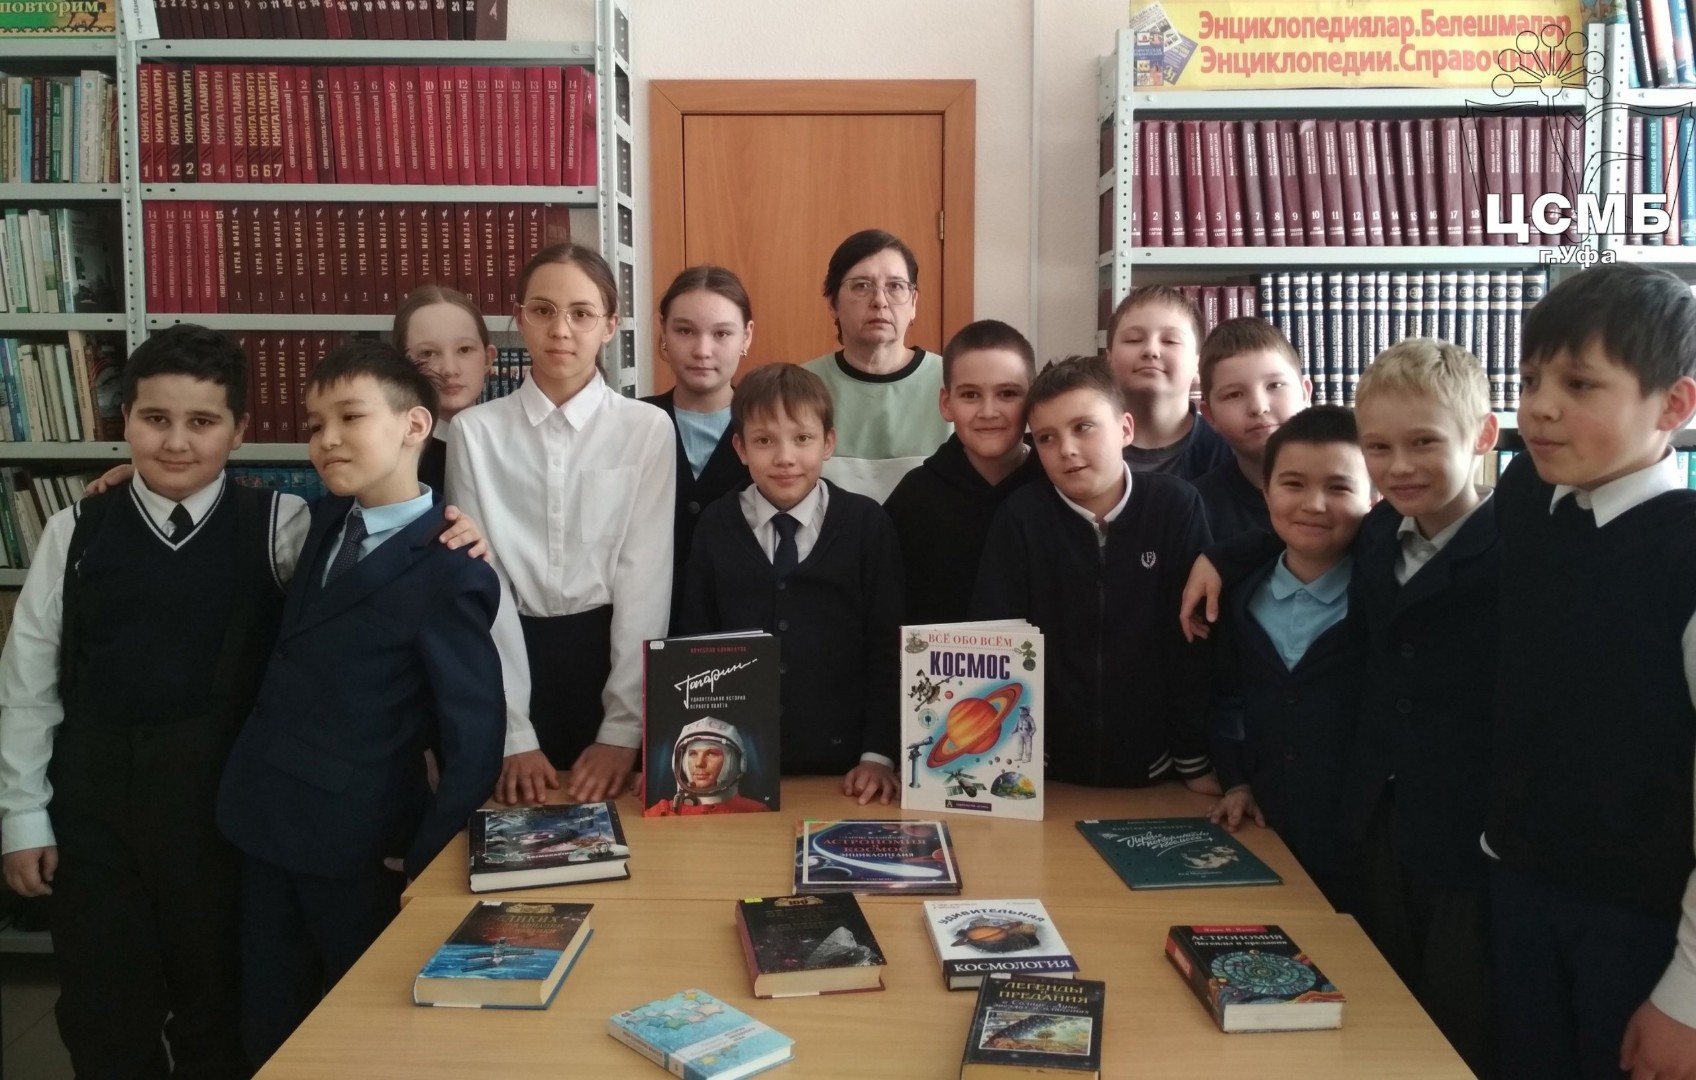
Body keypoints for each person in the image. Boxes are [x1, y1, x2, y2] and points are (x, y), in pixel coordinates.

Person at [0, 324, 303, 1079]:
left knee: (220, 1005)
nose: (175, 442)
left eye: (202, 422)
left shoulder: (280, 525)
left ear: (239, 429)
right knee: (104, 1009)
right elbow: (28, 686)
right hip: (94, 816)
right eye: (155, 418)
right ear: (125, 418)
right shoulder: (74, 530)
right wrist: (22, 815)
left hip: (220, 817)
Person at [216, 339, 505, 1066]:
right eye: (315, 425)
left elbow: (474, 738)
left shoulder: (452, 567)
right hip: (260, 816)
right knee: (267, 1014)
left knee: (361, 1029)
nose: (327, 439)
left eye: (350, 417)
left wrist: (427, 860)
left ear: (415, 425)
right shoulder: (314, 522)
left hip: (358, 841)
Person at [1481, 264, 1696, 1080]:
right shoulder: (1530, 497)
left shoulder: (1683, 554)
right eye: (1531, 380)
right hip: (1520, 888)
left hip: (1640, 925)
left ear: (1673, 405)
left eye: (1579, 384)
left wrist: (1687, 998)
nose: (1538, 407)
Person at [447, 242, 676, 805]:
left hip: (612, 662)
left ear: (610, 326)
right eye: (543, 310)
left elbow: (644, 579)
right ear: (519, 317)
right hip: (505, 663)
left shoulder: (646, 429)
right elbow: (483, 584)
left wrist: (624, 729)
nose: (561, 330)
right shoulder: (475, 433)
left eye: (581, 313)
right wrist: (513, 731)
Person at [1347, 338, 1501, 1078]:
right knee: (1377, 1002)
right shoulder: (1378, 534)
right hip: (1380, 816)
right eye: (1378, 447)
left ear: (1483, 435)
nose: (1399, 466)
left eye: (1424, 442)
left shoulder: (1520, 548)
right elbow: (1299, 530)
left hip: (1473, 831)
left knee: (1458, 1016)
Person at [971, 355, 1218, 792]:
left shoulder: (1175, 507)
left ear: (1125, 429)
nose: (1066, 449)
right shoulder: (1021, 518)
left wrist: (1192, 756)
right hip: (1043, 770)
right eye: (1046, 438)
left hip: (1157, 768)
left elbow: (1192, 643)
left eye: (1083, 427)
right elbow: (996, 640)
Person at [679, 363, 903, 805]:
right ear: (741, 448)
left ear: (828, 443)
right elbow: (693, 644)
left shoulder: (866, 525)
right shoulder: (716, 525)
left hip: (847, 768)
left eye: (802, 439)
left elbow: (887, 646)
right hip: (738, 770)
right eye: (765, 441)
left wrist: (878, 755)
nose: (785, 457)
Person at [1207, 406, 1370, 911]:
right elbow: (1227, 698)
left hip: (1361, 848)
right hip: (1262, 832)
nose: (1313, 505)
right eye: (1293, 484)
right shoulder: (1238, 597)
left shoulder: (1383, 601)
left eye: (1339, 487)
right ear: (1266, 492)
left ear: (1375, 497)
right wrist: (1236, 780)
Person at [883, 319, 1045, 625]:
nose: (988, 412)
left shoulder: (1056, 488)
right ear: (947, 403)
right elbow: (885, 608)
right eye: (970, 395)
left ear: (1033, 400)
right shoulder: (914, 498)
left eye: (1007, 393)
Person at [803, 229, 952, 502]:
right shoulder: (801, 386)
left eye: (895, 286)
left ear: (914, 303)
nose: (880, 301)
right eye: (861, 285)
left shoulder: (953, 383)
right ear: (832, 303)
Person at [641, 266, 753, 628]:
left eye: (722, 333)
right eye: (685, 331)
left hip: (741, 634)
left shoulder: (769, 433)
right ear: (664, 332)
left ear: (747, 336)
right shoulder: (631, 424)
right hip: (642, 626)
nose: (702, 351)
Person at [1190, 318, 1312, 540]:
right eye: (1234, 394)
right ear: (1210, 416)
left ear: (1305, 393)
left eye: (1274, 385)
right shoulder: (1196, 508)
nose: (1258, 407)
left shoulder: (1349, 484)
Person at [1105, 285, 1234, 481]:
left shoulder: (1227, 454)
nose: (1151, 350)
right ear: (1108, 360)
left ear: (1198, 365)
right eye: (1133, 340)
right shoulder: (1081, 449)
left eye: (1170, 341)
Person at [394, 284, 497, 493]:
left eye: (464, 349)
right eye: (428, 354)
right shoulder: (392, 458)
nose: (449, 370)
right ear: (403, 364)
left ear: (488, 359)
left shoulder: (510, 443)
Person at [642, 717, 768, 817]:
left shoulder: (755, 812)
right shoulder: (661, 812)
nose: (699, 763)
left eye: (711, 753)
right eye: (693, 754)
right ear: (680, 761)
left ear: (736, 763)